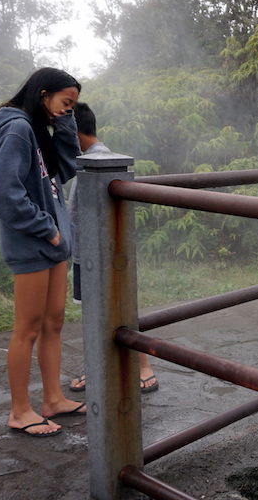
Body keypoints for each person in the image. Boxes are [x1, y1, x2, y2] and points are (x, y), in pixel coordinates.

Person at [0, 67, 87, 437]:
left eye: (72, 106)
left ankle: (53, 399)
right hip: (32, 241)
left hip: (52, 242)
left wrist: (67, 120)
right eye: (64, 102)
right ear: (43, 94)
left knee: (53, 322)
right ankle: (19, 410)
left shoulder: (39, 129)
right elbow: (4, 190)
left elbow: (70, 165)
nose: (65, 110)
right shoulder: (16, 127)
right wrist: (48, 229)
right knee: (26, 329)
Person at [66, 102, 159, 394]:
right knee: (96, 316)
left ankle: (143, 367)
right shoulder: (83, 159)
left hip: (102, 255)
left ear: (73, 132)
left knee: (121, 312)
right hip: (87, 255)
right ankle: (97, 367)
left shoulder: (101, 160)